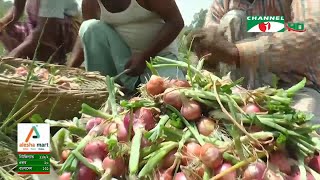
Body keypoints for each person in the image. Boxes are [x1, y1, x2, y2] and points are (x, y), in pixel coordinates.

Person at [189, 0, 320, 130]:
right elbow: (211, 40)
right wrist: (205, 48)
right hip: (239, 91)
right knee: (234, 19)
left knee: (304, 128)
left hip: (293, 87)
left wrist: (237, 52)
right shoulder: (223, 3)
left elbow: (310, 30)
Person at [69, 0, 185, 91]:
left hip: (159, 58)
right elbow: (86, 34)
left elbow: (175, 22)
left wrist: (144, 56)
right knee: (90, 26)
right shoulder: (91, 2)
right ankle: (105, 86)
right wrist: (69, 71)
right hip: (123, 64)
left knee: (173, 93)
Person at [202, 0, 292, 86]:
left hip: (281, 76)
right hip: (235, 82)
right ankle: (237, 88)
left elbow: (300, 29)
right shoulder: (221, 3)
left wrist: (240, 51)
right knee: (234, 19)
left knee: (237, 20)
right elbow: (209, 39)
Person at [0, 0, 81, 64]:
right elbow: (17, 8)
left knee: (44, 39)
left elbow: (43, 30)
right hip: (36, 24)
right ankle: (23, 60)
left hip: (60, 26)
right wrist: (2, 24)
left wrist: (13, 54)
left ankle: (49, 63)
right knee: (6, 29)